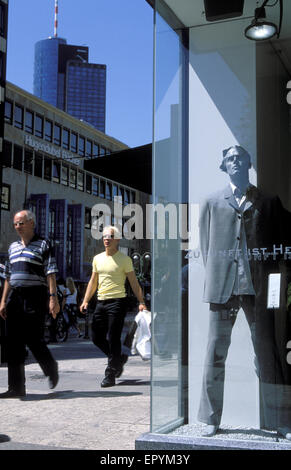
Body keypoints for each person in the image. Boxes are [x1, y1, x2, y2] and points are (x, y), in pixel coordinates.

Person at [197, 145, 291, 439]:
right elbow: (205, 246)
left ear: (250, 163)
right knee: (215, 352)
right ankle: (210, 417)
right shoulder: (212, 202)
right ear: (223, 166)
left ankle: (282, 419)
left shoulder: (268, 202)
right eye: (229, 158)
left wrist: (276, 291)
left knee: (267, 352)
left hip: (258, 289)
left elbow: (279, 251)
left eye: (240, 157)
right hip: (223, 289)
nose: (235, 161)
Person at [0, 210, 60, 398]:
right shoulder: (12, 247)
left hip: (36, 296)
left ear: (31, 223)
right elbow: (8, 277)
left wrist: (53, 297)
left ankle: (50, 367)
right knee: (13, 343)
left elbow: (50, 272)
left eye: (21, 223)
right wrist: (3, 300)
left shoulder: (43, 244)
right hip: (15, 297)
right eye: (16, 224)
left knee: (34, 338)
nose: (18, 227)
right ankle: (16, 387)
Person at [80, 225, 147, 387]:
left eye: (110, 236)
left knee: (114, 337)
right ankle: (118, 358)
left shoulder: (125, 260)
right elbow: (93, 281)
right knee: (96, 337)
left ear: (117, 239)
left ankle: (110, 374)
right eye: (104, 236)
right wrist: (85, 300)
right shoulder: (97, 258)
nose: (106, 239)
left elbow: (134, 282)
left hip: (117, 302)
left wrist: (142, 302)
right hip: (101, 302)